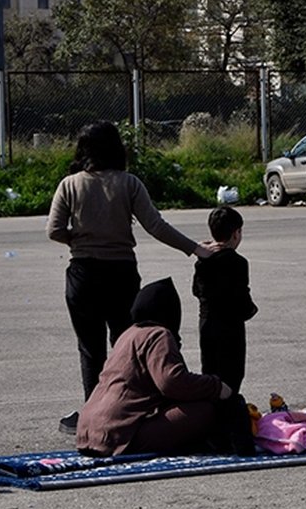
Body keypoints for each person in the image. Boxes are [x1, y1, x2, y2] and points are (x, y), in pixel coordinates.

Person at [47, 121, 217, 436]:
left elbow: (54, 229)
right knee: (126, 345)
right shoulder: (129, 184)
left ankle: (92, 413)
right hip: (121, 274)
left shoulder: (69, 185)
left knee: (90, 348)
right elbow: (156, 225)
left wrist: (79, 239)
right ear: (117, 149)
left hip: (82, 275)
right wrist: (194, 248)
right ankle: (130, 408)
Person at [76, 278, 253, 457]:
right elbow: (172, 382)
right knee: (205, 410)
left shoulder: (128, 335)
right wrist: (217, 387)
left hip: (88, 431)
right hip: (116, 435)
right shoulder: (158, 334)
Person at [192, 206, 258, 394]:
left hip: (207, 324)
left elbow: (196, 290)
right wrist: (251, 310)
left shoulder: (202, 260)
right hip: (230, 327)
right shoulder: (238, 262)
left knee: (211, 374)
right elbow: (241, 299)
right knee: (232, 376)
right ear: (236, 233)